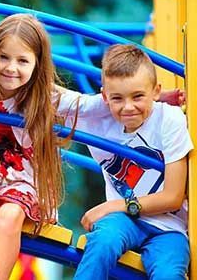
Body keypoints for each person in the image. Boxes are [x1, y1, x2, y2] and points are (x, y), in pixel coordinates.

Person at [0, 14, 100, 280]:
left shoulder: (43, 95)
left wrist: (148, 96)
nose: (11, 68)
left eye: (22, 60)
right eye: (4, 57)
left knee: (10, 216)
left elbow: (92, 106)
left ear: (37, 64)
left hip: (20, 173)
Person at [71, 44, 192, 279]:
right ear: (104, 96)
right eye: (117, 98)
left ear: (156, 91)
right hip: (124, 221)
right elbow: (47, 97)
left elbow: (173, 197)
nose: (128, 107)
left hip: (169, 227)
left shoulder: (169, 119)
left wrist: (109, 206)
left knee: (169, 273)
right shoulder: (96, 121)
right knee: (103, 242)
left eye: (138, 96)